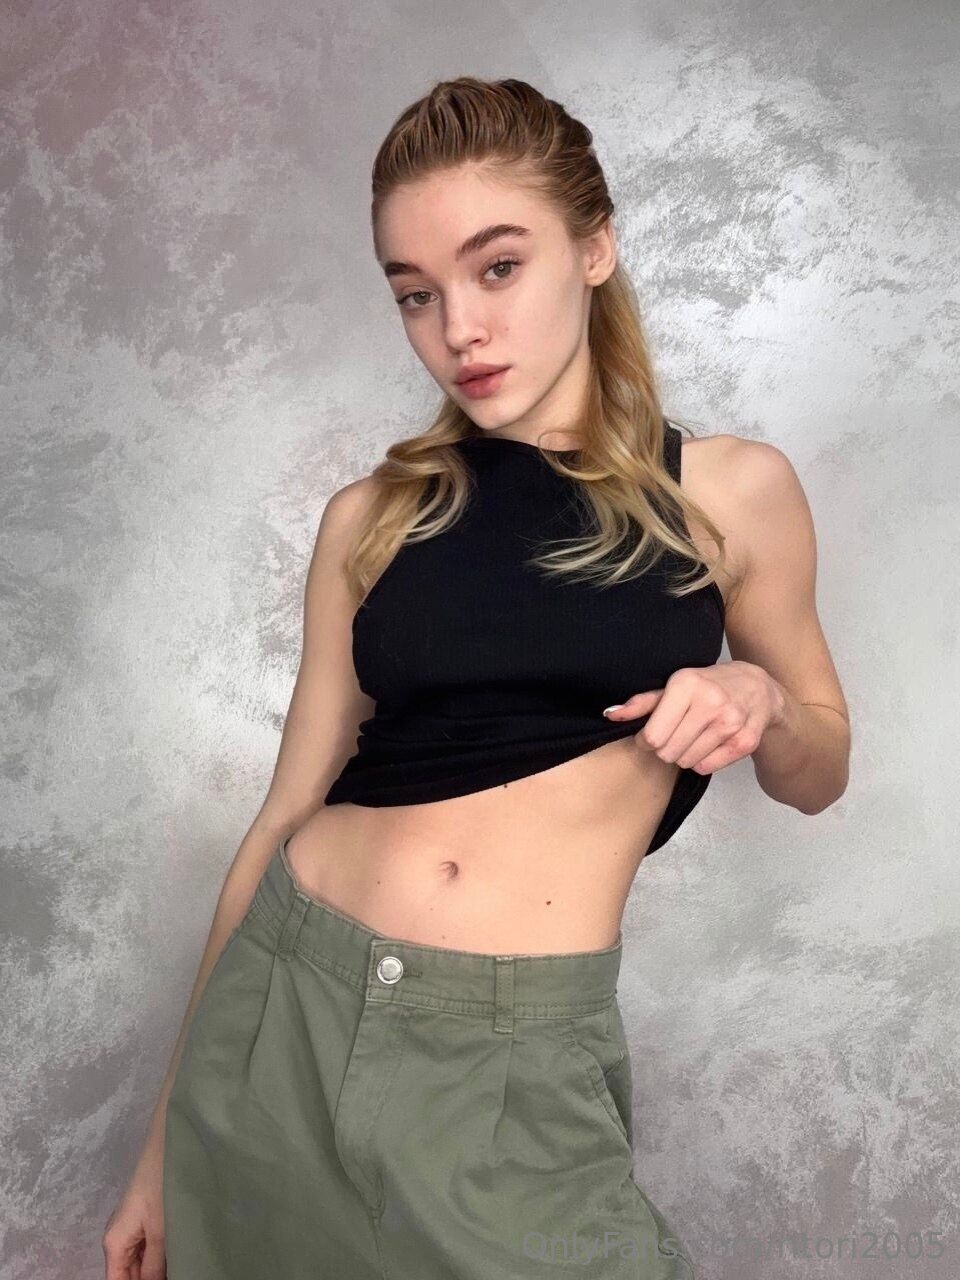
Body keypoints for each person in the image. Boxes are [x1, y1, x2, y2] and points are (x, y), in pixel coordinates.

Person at [102, 76, 850, 1280]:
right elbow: (285, 812)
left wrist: (761, 703)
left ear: (594, 248)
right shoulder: (371, 517)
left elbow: (822, 765)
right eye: (416, 292)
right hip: (282, 1014)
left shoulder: (729, 491)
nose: (460, 328)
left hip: (512, 1054)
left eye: (498, 267)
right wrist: (159, 1145)